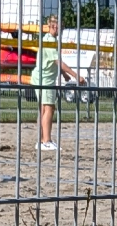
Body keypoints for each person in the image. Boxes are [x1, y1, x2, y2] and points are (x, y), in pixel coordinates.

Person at [33, 14, 83, 152]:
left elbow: (53, 62)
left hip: (42, 77)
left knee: (43, 110)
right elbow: (58, 62)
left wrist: (65, 75)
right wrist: (75, 75)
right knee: (49, 109)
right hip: (45, 79)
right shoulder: (49, 41)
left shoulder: (49, 40)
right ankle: (47, 141)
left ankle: (42, 141)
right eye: (59, 26)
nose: (59, 29)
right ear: (53, 26)